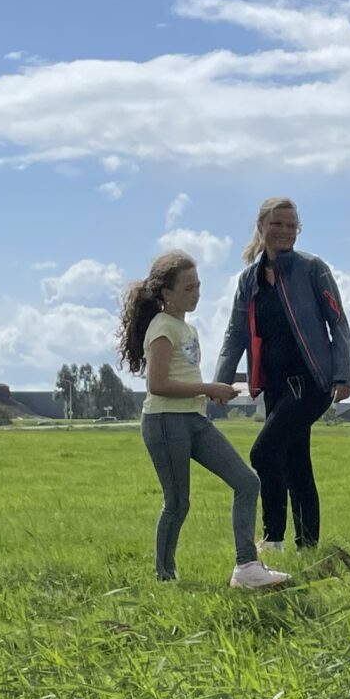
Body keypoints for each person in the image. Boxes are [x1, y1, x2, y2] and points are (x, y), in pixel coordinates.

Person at [119, 251, 288, 591]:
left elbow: (182, 378)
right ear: (166, 293)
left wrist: (212, 394)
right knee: (177, 503)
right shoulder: (162, 327)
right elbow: (157, 385)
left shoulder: (187, 328)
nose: (196, 293)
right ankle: (165, 579)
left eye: (198, 286)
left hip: (194, 419)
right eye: (188, 288)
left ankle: (247, 568)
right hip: (165, 422)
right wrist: (208, 387)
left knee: (247, 482)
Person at [213, 196, 350, 562]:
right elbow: (235, 333)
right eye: (277, 224)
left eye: (292, 225)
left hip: (313, 380)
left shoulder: (312, 269)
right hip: (273, 384)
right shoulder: (249, 279)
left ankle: (272, 536)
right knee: (295, 461)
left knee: (263, 451)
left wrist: (343, 374)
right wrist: (221, 381)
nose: (285, 231)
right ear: (261, 227)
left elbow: (338, 321)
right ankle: (308, 547)